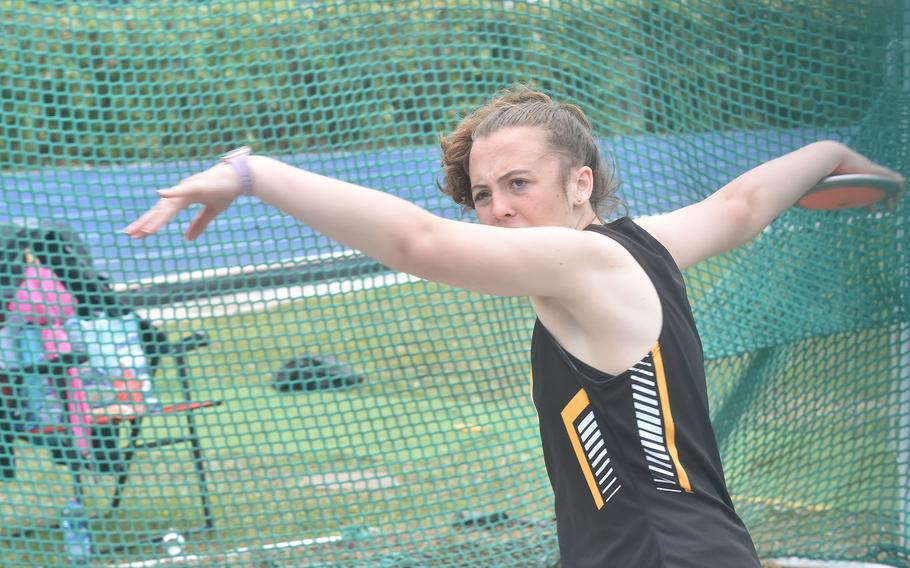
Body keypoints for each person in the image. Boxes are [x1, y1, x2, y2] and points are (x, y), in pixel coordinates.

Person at [124, 86, 904, 567]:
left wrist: (252, 172)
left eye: (519, 184)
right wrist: (829, 151)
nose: (497, 209)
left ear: (582, 182)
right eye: (483, 192)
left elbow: (416, 243)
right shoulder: (645, 245)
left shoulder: (585, 264)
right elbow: (740, 208)